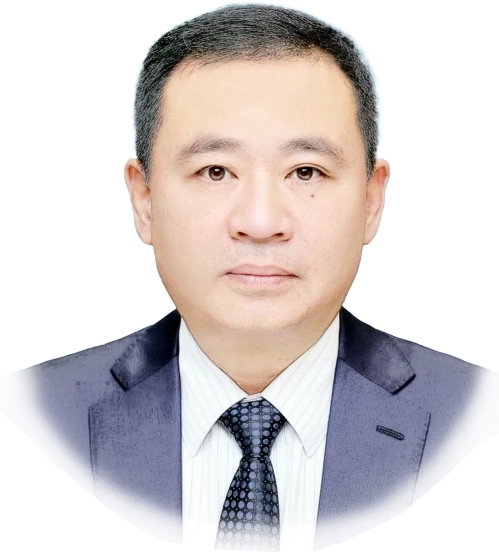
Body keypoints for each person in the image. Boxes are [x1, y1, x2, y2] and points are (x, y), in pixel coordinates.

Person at [1, 4, 498, 552]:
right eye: (215, 171)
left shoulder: (480, 425)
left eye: (305, 171)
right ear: (144, 201)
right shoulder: (24, 423)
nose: (260, 223)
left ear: (371, 201)